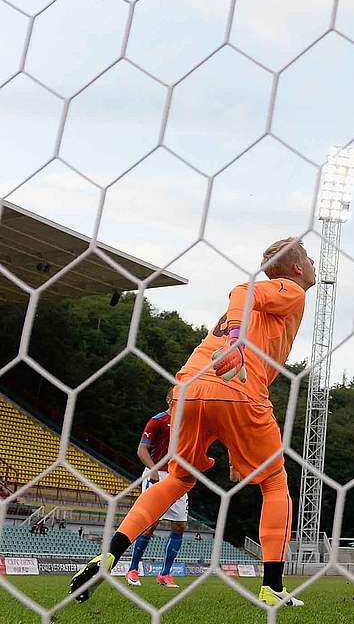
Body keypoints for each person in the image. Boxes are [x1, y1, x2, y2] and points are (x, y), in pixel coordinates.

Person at [70, 239, 315, 607]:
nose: (314, 264)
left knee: (178, 479)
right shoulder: (292, 291)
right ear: (296, 269)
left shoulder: (271, 305)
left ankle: (109, 555)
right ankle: (273, 586)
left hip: (189, 389)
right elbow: (242, 289)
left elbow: (249, 301)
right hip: (236, 382)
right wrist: (235, 341)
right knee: (275, 484)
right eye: (308, 258)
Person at [127, 387, 190, 589]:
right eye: (176, 397)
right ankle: (133, 569)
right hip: (158, 473)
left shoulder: (189, 423)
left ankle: (165, 574)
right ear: (168, 399)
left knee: (180, 525)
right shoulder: (158, 420)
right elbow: (142, 449)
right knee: (149, 524)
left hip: (179, 476)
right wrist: (153, 470)